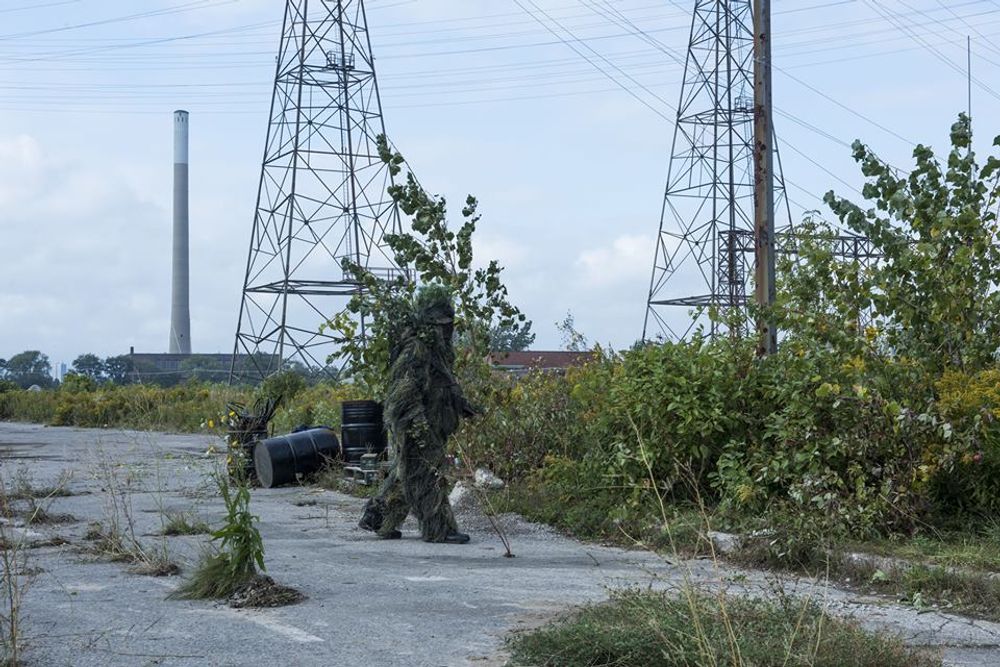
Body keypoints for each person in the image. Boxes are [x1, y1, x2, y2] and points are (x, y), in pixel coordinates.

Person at [358, 285, 474, 544]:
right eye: (442, 324)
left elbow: (442, 384)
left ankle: (378, 517)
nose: (448, 329)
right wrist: (419, 429)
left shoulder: (438, 351)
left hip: (434, 424)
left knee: (406, 474)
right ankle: (439, 529)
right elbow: (404, 396)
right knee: (428, 475)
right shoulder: (416, 349)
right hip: (418, 425)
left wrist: (461, 404)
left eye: (450, 324)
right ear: (430, 324)